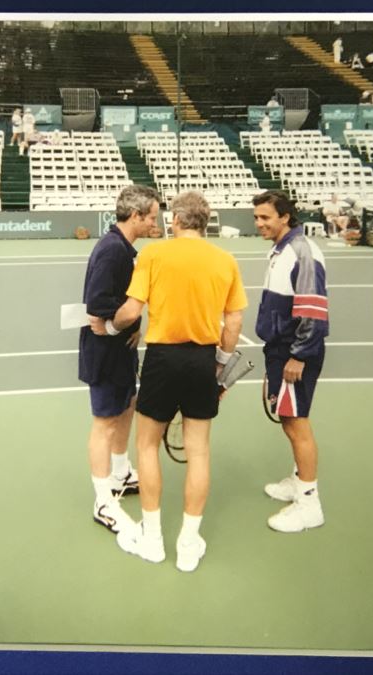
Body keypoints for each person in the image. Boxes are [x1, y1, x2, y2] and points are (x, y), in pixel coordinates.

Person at [91, 191, 247, 572]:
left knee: (146, 448)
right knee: (199, 452)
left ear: (176, 221)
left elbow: (130, 311)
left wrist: (107, 325)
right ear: (205, 222)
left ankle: (154, 538)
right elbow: (235, 323)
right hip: (202, 361)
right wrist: (220, 365)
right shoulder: (226, 260)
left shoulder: (153, 254)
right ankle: (189, 542)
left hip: (162, 360)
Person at [80, 185, 162, 536]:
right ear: (136, 216)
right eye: (152, 218)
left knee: (127, 405)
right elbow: (97, 305)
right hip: (104, 351)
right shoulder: (113, 251)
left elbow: (122, 300)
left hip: (120, 347)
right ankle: (102, 500)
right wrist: (117, 327)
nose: (155, 223)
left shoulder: (125, 249)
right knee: (104, 423)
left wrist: (133, 327)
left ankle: (121, 473)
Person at [252, 191, 329, 533]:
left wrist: (299, 354)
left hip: (294, 351)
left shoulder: (303, 250)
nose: (259, 223)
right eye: (257, 217)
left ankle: (309, 504)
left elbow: (312, 308)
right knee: (287, 420)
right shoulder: (281, 249)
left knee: (297, 425)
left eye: (265, 217)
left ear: (285, 216)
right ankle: (298, 481)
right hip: (280, 348)